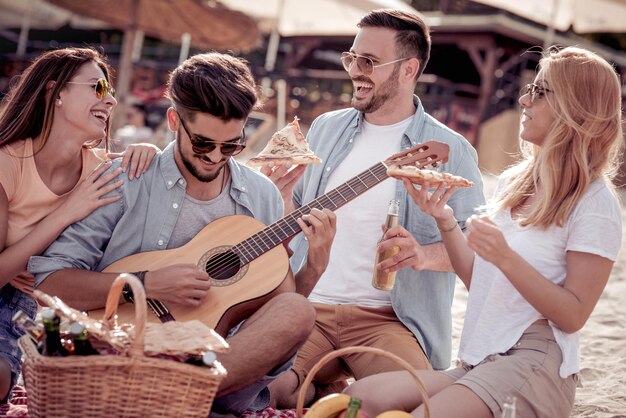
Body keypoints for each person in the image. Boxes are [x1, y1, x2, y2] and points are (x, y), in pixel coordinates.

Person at [29, 52, 337, 416]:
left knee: (298, 311)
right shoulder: (126, 179)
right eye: (203, 144)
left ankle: (173, 398)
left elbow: (268, 311)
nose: (215, 157)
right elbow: (50, 283)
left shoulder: (261, 196)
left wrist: (313, 269)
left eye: (232, 146)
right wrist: (146, 284)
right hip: (120, 353)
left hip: (214, 369)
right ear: (174, 120)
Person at [345, 46, 623, 418]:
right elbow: (484, 281)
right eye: (530, 88)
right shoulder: (514, 181)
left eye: (540, 91)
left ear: (576, 107)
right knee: (361, 398)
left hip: (534, 361)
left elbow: (573, 316)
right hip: (481, 357)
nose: (524, 99)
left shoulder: (594, 201)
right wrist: (443, 219)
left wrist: (505, 257)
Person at [265, 9, 485, 407]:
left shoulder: (450, 149)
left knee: (417, 403)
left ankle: (324, 388)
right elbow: (296, 214)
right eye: (352, 58)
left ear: (408, 69)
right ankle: (318, 387)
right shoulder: (326, 127)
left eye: (369, 62)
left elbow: (477, 247)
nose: (355, 71)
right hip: (311, 306)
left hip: (388, 320)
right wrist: (281, 201)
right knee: (267, 393)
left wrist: (422, 254)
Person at [0, 47, 159, 403]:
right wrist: (64, 212)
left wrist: (150, 151)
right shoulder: (7, 163)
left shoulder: (105, 172)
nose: (112, 101)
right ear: (54, 92)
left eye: (111, 92)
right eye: (98, 88)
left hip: (46, 310)